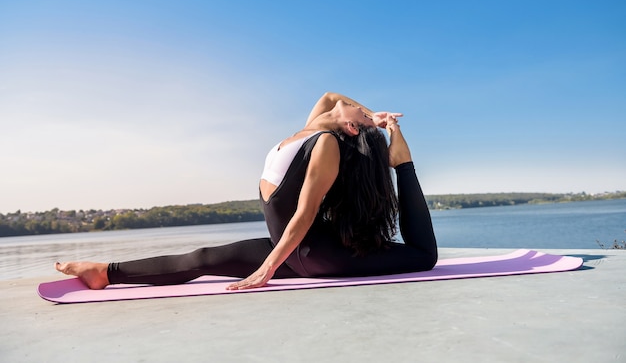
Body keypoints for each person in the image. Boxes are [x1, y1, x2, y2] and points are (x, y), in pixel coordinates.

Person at [55, 92, 438, 290]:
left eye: (360, 114)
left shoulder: (326, 143)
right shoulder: (307, 131)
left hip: (307, 252)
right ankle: (106, 272)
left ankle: (402, 163)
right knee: (203, 257)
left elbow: (305, 214)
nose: (357, 107)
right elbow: (330, 96)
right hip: (295, 250)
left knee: (424, 256)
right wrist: (374, 117)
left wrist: (266, 269)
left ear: (351, 130)